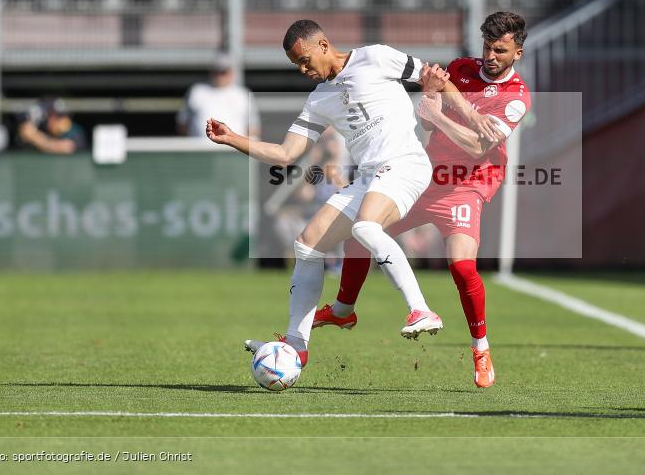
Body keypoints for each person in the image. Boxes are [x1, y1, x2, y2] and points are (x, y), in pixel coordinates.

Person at [206, 19, 501, 370]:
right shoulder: (319, 99)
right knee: (307, 243)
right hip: (370, 177)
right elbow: (285, 154)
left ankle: (420, 309)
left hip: (406, 164)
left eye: (304, 60)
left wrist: (472, 118)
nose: (303, 70)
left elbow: (436, 77)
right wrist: (232, 138)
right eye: (296, 65)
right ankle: (297, 344)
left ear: (323, 45)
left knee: (365, 227)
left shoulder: (375, 57)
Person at [311, 12, 532, 388]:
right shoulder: (461, 69)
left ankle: (480, 347)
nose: (490, 56)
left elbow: (478, 147)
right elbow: (428, 120)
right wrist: (431, 104)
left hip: (466, 185)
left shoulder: (517, 97)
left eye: (500, 50)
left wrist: (439, 117)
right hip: (425, 175)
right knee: (362, 230)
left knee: (461, 267)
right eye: (487, 47)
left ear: (517, 54)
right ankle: (344, 309)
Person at [177, 53, 259, 138]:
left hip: (233, 146)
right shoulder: (197, 91)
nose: (219, 76)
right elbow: (183, 123)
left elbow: (253, 127)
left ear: (231, 72)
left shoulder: (242, 94)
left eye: (223, 72)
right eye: (216, 71)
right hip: (199, 145)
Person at [17, 98, 88, 155]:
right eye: (52, 116)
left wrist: (35, 137)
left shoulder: (74, 131)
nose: (56, 120)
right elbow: (24, 133)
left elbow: (67, 148)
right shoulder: (44, 128)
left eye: (60, 116)